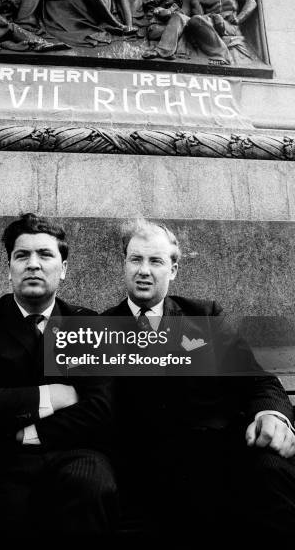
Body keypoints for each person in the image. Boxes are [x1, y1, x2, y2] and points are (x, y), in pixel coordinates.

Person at [102, 218, 295, 543]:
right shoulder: (100, 328)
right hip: (148, 472)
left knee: (273, 470)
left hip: (219, 458)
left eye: (156, 261)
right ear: (124, 264)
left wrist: (271, 415)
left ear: (173, 269)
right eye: (135, 259)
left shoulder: (204, 317)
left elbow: (257, 381)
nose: (144, 271)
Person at [0, 214, 117, 541]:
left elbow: (99, 410)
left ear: (63, 268)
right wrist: (54, 395)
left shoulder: (87, 323)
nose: (33, 264)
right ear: (9, 267)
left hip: (71, 453)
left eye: (45, 255)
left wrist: (18, 425)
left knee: (91, 485)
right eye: (22, 255)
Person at [185, 0, 257, 65]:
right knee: (195, 20)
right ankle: (222, 54)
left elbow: (251, 2)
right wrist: (213, 16)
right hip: (214, 25)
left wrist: (239, 18)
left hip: (231, 25)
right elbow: (200, 21)